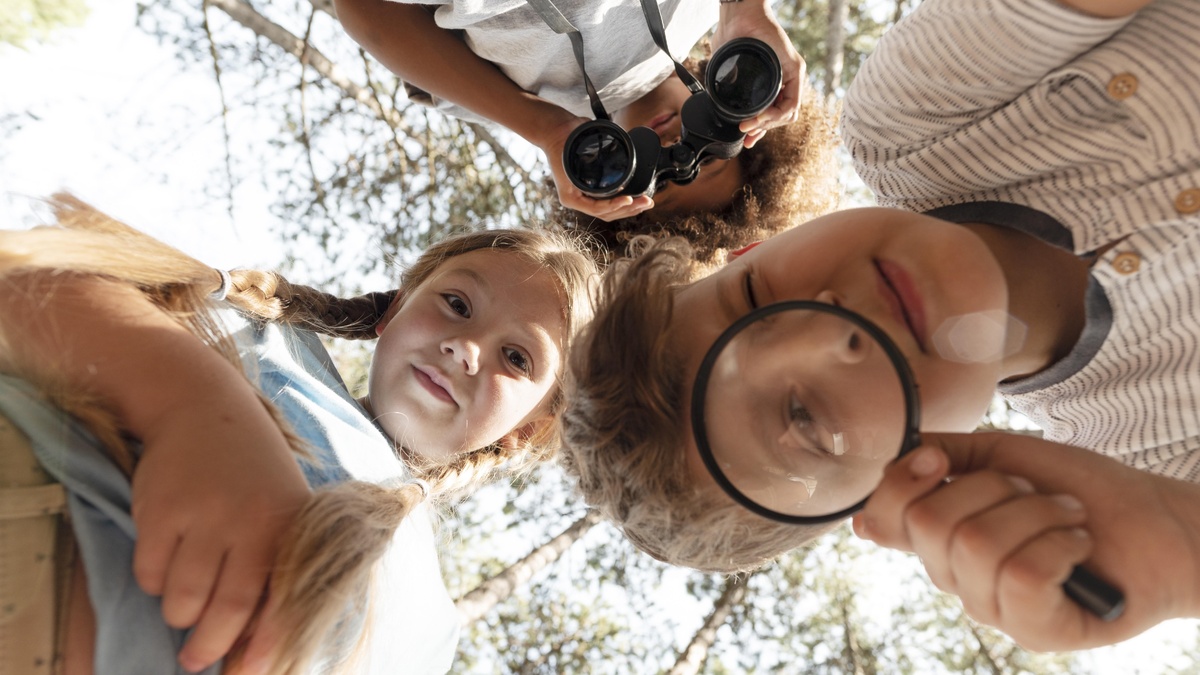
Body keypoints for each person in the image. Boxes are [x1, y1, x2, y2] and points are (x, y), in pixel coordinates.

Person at [559, 0, 1200, 651]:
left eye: (755, 295)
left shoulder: (912, 123)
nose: (834, 330)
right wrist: (1183, 544)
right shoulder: (1161, 467)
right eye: (806, 417)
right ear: (886, 485)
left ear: (750, 251)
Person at [0, 194, 597, 674]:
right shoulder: (267, 338)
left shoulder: (434, 629)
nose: (465, 348)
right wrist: (192, 406)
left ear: (527, 432)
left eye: (517, 358)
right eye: (457, 304)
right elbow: (26, 278)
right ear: (393, 310)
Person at [333, 0, 841, 263]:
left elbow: (364, 11)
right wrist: (746, 8)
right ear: (739, 123)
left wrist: (547, 129)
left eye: (659, 180)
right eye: (707, 157)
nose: (670, 148)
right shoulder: (707, 11)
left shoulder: (512, 104)